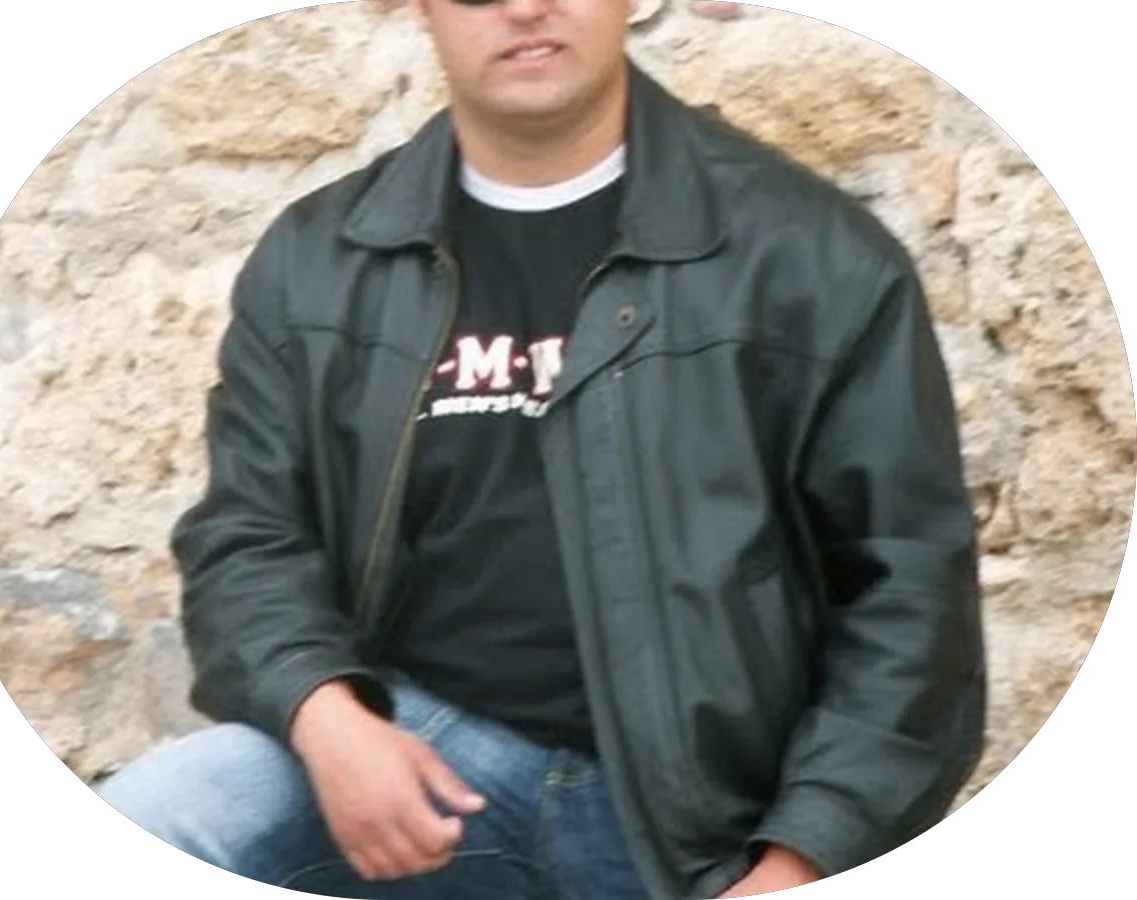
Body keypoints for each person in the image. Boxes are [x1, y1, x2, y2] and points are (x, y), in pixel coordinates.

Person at [95, 1, 987, 897]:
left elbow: (908, 594)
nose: (524, 7)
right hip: (431, 763)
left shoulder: (810, 256)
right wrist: (328, 720)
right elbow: (247, 536)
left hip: (706, 818)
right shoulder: (320, 259)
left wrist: (800, 856)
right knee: (169, 808)